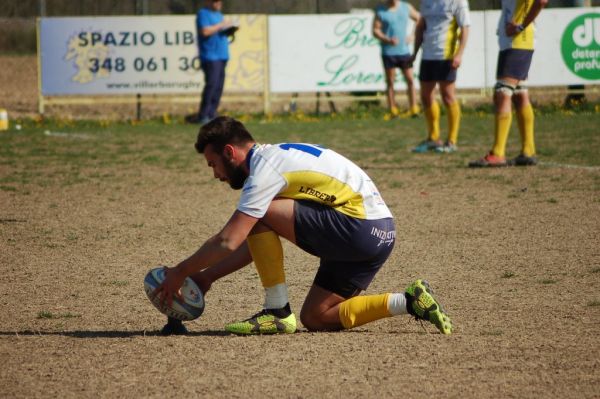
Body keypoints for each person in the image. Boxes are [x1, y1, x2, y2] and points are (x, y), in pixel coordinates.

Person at [153, 116, 453, 336]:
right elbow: (253, 242)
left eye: (213, 164)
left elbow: (228, 240)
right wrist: (206, 278)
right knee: (317, 316)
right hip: (381, 234)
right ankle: (410, 301)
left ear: (230, 152)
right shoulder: (277, 157)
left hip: (357, 228)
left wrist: (180, 272)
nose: (215, 174)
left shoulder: (264, 170)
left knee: (259, 213)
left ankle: (277, 312)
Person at [469, 0, 548, 167]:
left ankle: (498, 153)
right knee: (519, 95)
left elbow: (541, 1)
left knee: (502, 94)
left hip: (519, 41)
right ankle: (528, 151)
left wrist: (520, 26)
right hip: (513, 42)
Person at [410, 0, 470, 153]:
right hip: (428, 55)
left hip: (447, 55)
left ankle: (451, 141)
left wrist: (459, 54)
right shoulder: (426, 2)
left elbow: (465, 28)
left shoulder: (458, 2)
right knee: (425, 96)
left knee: (448, 96)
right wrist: (415, 52)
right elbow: (421, 27)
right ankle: (433, 138)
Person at [185, 0, 238, 125]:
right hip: (210, 56)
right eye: (215, 1)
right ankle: (203, 115)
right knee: (212, 85)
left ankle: (212, 114)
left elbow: (219, 31)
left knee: (219, 86)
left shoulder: (219, 15)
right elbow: (205, 31)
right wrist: (221, 25)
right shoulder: (203, 14)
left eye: (219, 1)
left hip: (222, 55)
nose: (218, 3)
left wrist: (229, 29)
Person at [372, 0, 421, 118]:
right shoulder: (381, 10)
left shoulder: (406, 7)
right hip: (388, 53)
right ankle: (393, 110)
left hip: (404, 52)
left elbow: (419, 19)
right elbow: (375, 30)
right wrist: (387, 39)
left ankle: (414, 108)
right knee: (390, 82)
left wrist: (413, 35)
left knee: (410, 79)